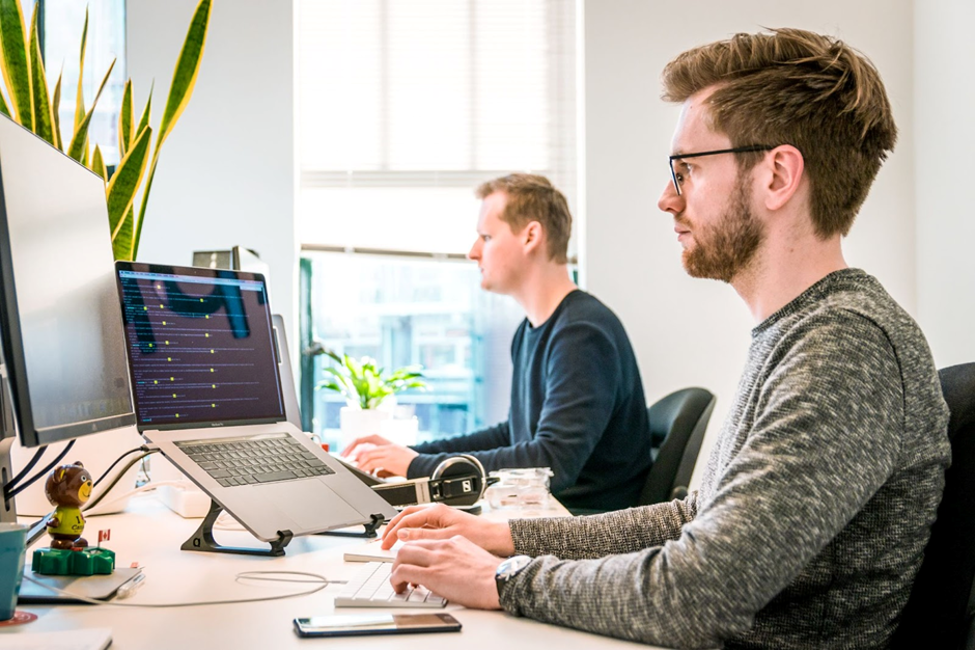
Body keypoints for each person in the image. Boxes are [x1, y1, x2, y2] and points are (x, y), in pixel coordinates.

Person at [376, 29, 952, 648]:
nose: (665, 198)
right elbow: (694, 519)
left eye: (686, 170)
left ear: (777, 175)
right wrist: (504, 537)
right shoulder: (800, 332)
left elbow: (696, 592)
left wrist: (503, 579)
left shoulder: (845, 346)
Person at [343, 174, 650, 512]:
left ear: (531, 236)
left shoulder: (582, 333)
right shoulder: (532, 331)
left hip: (580, 527)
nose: (473, 252)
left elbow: (551, 464)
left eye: (486, 237)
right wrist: (414, 454)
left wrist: (417, 467)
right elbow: (513, 435)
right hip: (546, 516)